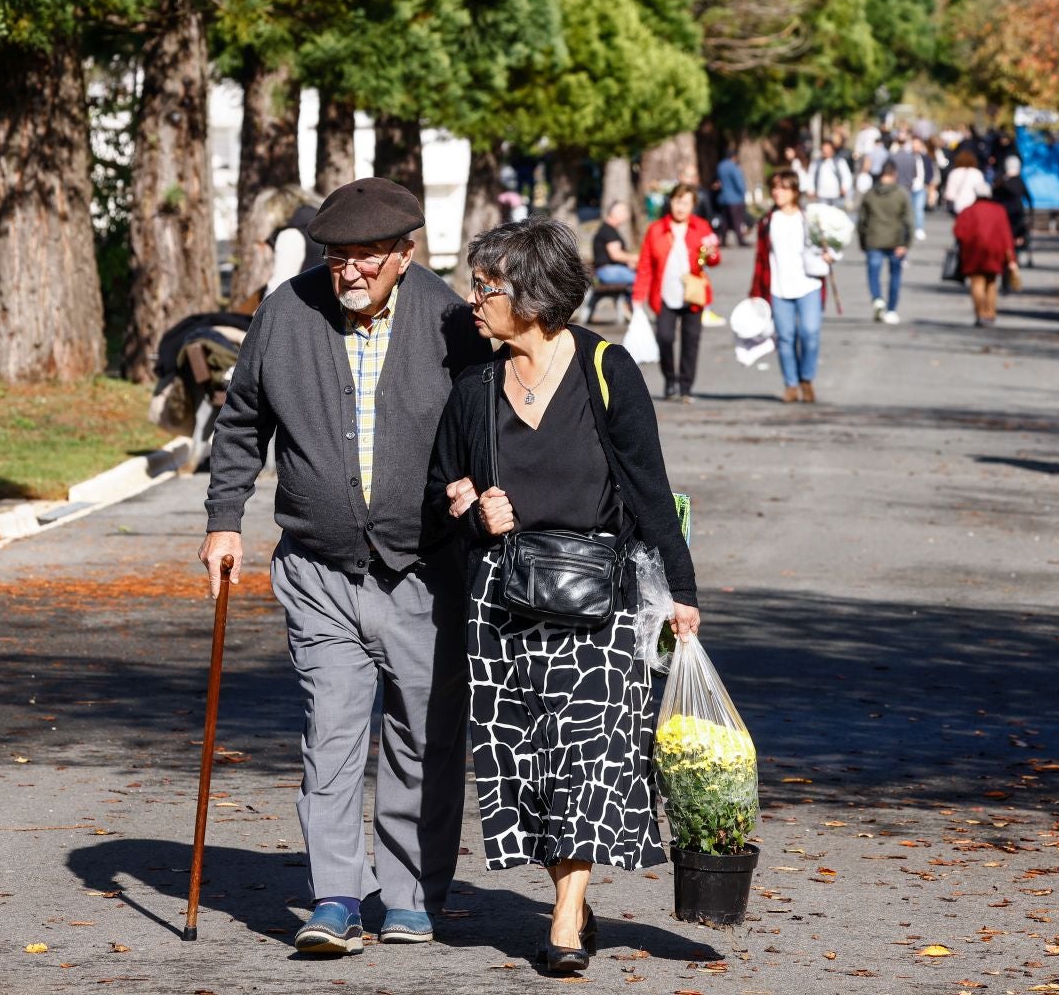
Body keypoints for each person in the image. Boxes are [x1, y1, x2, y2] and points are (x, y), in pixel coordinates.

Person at [198, 177, 491, 956]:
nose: (350, 273)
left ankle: (408, 894)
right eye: (337, 259)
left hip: (426, 572)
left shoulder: (452, 321)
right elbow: (241, 423)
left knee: (421, 739)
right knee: (330, 735)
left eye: (366, 257)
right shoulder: (287, 313)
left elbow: (489, 423)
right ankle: (334, 897)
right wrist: (224, 520)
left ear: (405, 254)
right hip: (320, 569)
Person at [429, 217, 700, 977]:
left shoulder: (608, 370)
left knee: (586, 754)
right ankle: (567, 893)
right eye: (475, 285)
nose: (473, 301)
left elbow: (650, 489)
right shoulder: (474, 390)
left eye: (488, 287)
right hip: (503, 605)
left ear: (537, 297)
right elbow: (438, 488)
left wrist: (681, 591)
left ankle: (567, 912)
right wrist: (470, 504)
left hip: (598, 601)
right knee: (529, 764)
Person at [633, 183, 720, 402]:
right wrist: (638, 297)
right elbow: (645, 265)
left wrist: (711, 254)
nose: (680, 207)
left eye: (686, 203)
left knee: (691, 340)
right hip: (665, 295)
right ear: (670, 202)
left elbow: (715, 259)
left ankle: (686, 387)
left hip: (693, 295)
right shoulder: (656, 229)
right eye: (677, 201)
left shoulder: (701, 227)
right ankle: (670, 380)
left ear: (693, 205)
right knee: (665, 337)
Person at [749, 171, 830, 402]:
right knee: (785, 337)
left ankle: (806, 377)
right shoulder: (767, 221)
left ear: (795, 191)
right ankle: (791, 384)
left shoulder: (808, 218)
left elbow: (825, 246)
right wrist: (756, 292)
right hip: (778, 286)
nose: (777, 192)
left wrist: (829, 255)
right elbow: (761, 259)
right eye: (775, 187)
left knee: (810, 333)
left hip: (809, 284)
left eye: (783, 188)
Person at [855, 161, 911, 325]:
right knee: (895, 276)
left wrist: (863, 242)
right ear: (894, 174)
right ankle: (892, 309)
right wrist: (906, 243)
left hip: (874, 239)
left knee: (873, 273)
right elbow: (909, 221)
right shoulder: (901, 194)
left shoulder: (870, 194)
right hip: (896, 241)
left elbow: (862, 221)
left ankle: (878, 299)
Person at [952, 190, 1014, 327]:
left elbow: (958, 232)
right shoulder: (999, 211)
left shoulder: (968, 211)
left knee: (977, 283)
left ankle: (980, 313)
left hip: (974, 252)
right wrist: (1011, 257)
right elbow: (1006, 234)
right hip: (994, 253)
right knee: (991, 284)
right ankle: (990, 314)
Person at [995, 153, 1033, 283]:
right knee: (1013, 248)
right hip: (1017, 219)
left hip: (1003, 219)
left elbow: (994, 198)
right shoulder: (1020, 181)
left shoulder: (1001, 181)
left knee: (1004, 247)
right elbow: (1029, 199)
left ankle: (1005, 275)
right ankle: (1010, 272)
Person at [591, 201, 637, 289]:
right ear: (615, 213)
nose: (627, 214)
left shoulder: (608, 229)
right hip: (608, 271)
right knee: (641, 279)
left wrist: (629, 262)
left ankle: (628, 301)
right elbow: (616, 255)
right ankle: (631, 302)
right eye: (624, 211)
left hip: (609, 270)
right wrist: (636, 258)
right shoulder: (608, 231)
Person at [715, 151, 751, 246]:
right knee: (737, 221)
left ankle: (722, 240)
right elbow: (739, 183)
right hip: (735, 198)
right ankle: (740, 239)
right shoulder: (734, 167)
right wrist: (743, 193)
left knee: (725, 221)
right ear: (734, 157)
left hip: (723, 198)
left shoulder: (720, 166)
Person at [943, 147, 990, 217]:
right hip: (973, 204)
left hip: (958, 205)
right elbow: (981, 191)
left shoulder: (954, 173)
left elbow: (949, 193)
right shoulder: (977, 173)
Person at [808, 139, 854, 208]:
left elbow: (846, 175)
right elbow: (810, 176)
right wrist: (811, 190)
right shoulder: (816, 163)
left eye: (827, 149)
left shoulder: (840, 162)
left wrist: (845, 187)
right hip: (821, 194)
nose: (825, 151)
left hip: (836, 195)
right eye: (823, 149)